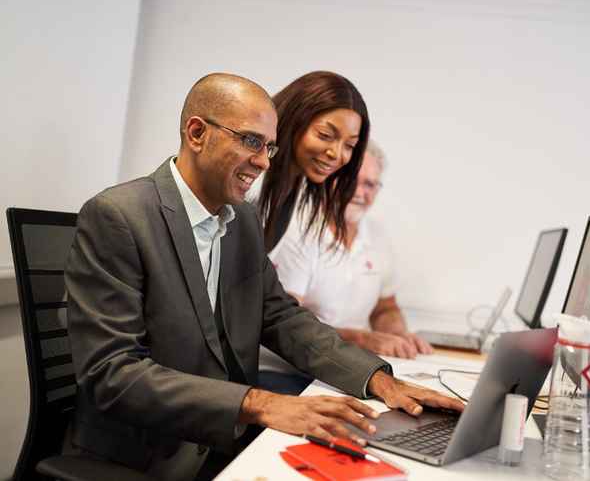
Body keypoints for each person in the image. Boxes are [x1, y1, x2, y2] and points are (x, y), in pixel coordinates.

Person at [61, 73, 464, 480]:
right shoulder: (119, 216)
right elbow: (112, 374)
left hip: (219, 441)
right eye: (251, 141)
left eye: (269, 147)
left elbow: (280, 316)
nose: (265, 161)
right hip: (146, 456)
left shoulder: (242, 220)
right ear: (197, 132)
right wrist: (262, 403)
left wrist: (378, 379)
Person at [258, 143, 434, 395]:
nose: (360, 192)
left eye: (370, 184)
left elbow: (385, 307)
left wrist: (396, 332)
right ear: (331, 179)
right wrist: (362, 339)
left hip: (348, 366)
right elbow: (286, 327)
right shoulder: (296, 230)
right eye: (353, 180)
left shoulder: (377, 234)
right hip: (286, 371)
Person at [251, 70, 368, 253]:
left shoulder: (299, 188)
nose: (336, 154)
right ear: (295, 120)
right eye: (325, 135)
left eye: (350, 145)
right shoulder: (251, 179)